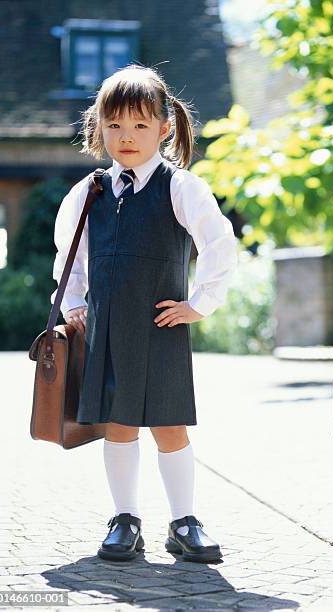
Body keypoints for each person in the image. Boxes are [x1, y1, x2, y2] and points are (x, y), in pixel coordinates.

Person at [50, 64, 238, 563]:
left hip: (161, 327)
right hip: (107, 329)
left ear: (163, 128)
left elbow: (220, 244)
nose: (126, 137)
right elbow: (68, 255)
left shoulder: (181, 187)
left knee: (170, 427)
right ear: (98, 128)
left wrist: (199, 304)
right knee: (118, 425)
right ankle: (125, 520)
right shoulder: (89, 191)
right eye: (114, 126)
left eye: (138, 125)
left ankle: (183, 521)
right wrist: (72, 304)